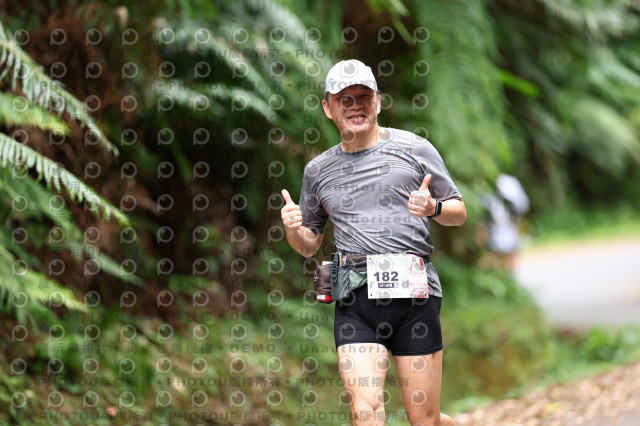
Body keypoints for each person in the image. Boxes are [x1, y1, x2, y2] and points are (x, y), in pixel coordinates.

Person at [281, 59, 466, 426]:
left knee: (424, 419)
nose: (356, 106)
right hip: (355, 302)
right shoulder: (318, 171)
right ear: (328, 108)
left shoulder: (415, 148)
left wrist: (433, 207)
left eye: (364, 97)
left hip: (415, 298)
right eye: (344, 99)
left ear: (378, 102)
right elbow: (309, 245)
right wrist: (292, 228)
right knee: (365, 413)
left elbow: (458, 212)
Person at [482, 174, 530, 270]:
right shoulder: (510, 182)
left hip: (505, 231)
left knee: (502, 262)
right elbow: (523, 206)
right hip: (502, 232)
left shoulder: (506, 182)